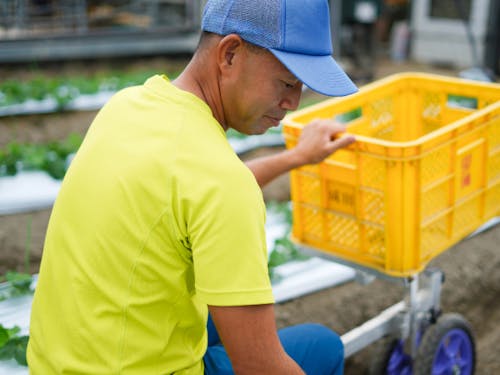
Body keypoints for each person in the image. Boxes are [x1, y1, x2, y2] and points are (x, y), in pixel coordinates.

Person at [27, 0, 358, 374]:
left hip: (55, 363)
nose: (292, 102)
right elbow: (260, 368)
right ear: (230, 54)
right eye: (286, 82)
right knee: (322, 346)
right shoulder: (219, 182)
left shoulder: (127, 106)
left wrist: (295, 158)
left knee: (216, 311)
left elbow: (196, 195)